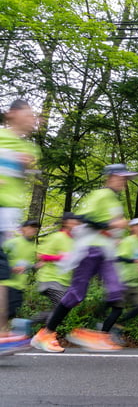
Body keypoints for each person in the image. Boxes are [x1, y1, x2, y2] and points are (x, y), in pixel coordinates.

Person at [30, 164, 136, 353]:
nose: (124, 182)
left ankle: (93, 334)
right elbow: (84, 218)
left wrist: (116, 235)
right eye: (121, 178)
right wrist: (110, 225)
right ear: (110, 177)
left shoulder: (114, 200)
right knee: (76, 295)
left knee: (116, 291)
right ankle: (46, 333)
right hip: (90, 250)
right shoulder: (100, 195)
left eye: (126, 179)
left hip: (106, 253)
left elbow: (111, 228)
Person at [0, 99, 39, 354]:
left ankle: (2, 331)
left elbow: (23, 172)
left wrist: (24, 165)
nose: (32, 119)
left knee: (3, 273)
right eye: (28, 114)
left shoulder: (29, 148)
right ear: (12, 114)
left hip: (8, 216)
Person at [100, 217, 138, 342]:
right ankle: (102, 334)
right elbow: (119, 258)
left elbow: (136, 260)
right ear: (132, 227)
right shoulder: (128, 241)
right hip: (122, 280)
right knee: (117, 310)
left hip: (134, 282)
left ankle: (116, 326)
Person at [31, 213, 80, 325]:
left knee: (62, 310)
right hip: (50, 279)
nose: (76, 224)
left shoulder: (74, 241)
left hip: (64, 281)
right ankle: (46, 335)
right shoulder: (57, 237)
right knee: (60, 307)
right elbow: (40, 255)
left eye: (77, 222)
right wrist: (60, 257)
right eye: (74, 221)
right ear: (66, 222)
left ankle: (29, 322)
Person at [0, 220, 40, 319]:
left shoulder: (33, 247)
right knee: (5, 313)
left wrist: (36, 265)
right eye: (30, 227)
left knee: (12, 312)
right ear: (23, 229)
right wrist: (10, 268)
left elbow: (30, 264)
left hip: (20, 285)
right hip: (6, 283)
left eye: (35, 228)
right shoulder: (13, 242)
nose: (33, 229)